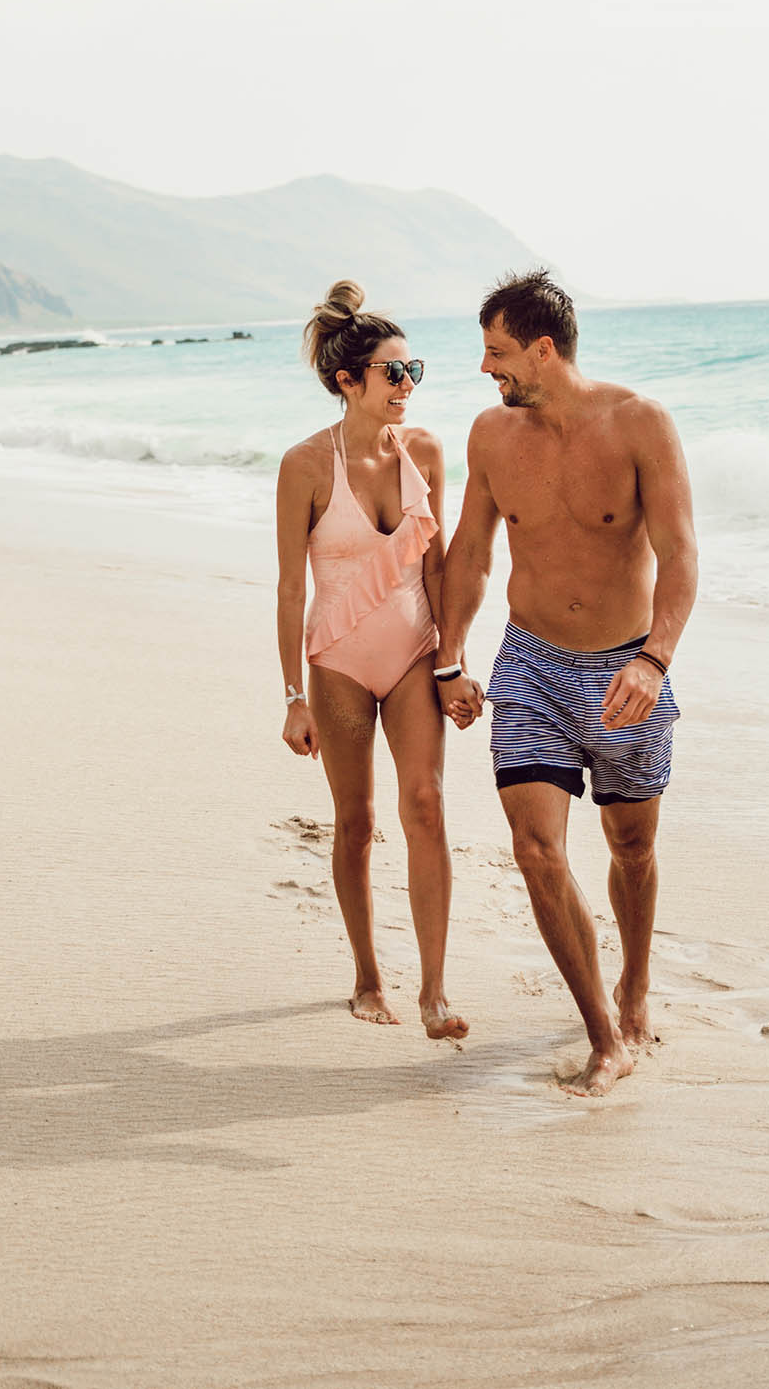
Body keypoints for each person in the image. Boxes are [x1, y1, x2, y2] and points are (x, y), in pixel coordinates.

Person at [435, 271, 698, 1096]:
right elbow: (471, 554)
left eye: (497, 352)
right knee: (535, 849)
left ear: (543, 350)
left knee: (632, 848)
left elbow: (681, 554)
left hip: (626, 669)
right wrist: (450, 657)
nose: (486, 368)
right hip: (532, 664)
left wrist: (654, 660)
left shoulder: (640, 423)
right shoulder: (491, 436)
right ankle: (603, 1037)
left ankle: (635, 985)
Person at [276, 281, 468, 1043]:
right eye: (394, 372)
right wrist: (293, 695)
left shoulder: (426, 451)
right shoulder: (304, 465)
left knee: (425, 805)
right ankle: (366, 977)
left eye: (413, 369)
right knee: (355, 823)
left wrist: (452, 661)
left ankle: (435, 992)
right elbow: (291, 586)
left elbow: (438, 564)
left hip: (415, 653)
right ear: (348, 380)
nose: (407, 385)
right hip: (339, 665)